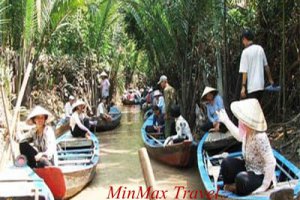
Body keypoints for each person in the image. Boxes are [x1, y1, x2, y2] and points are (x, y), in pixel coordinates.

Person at [216, 98, 276, 196]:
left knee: (241, 179)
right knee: (226, 163)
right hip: (248, 167)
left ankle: (236, 187)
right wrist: (226, 121)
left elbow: (271, 162)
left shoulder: (259, 136)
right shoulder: (247, 132)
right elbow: (238, 136)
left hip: (261, 174)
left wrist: (264, 186)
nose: (240, 121)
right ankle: (233, 187)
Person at [239, 29, 274, 102]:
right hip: (261, 85)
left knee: (253, 110)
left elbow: (244, 72)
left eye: (242, 40)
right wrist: (270, 79)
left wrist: (243, 87)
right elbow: (266, 66)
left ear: (245, 39)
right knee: (258, 107)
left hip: (252, 87)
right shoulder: (260, 49)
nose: (243, 42)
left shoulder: (245, 52)